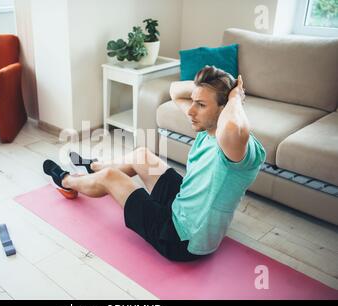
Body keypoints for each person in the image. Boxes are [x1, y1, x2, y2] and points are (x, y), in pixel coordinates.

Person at [43, 65, 266, 262]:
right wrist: (210, 89)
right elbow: (175, 91)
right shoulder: (211, 127)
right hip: (183, 205)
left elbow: (233, 128)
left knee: (111, 178)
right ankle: (94, 167)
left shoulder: (233, 145)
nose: (190, 110)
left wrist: (235, 96)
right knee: (142, 155)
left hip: (182, 238)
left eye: (200, 105)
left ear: (223, 109)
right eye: (194, 102)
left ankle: (65, 181)